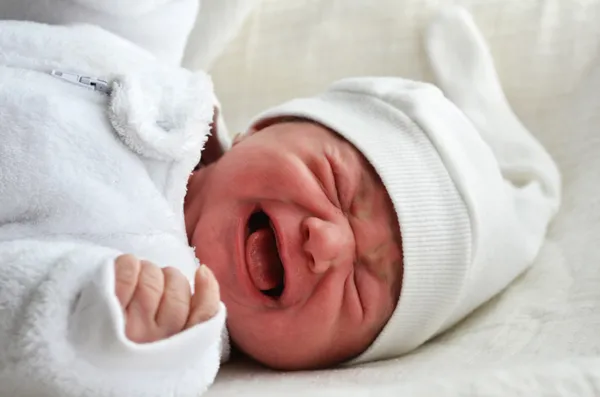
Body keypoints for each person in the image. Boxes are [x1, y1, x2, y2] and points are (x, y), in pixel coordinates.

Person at [0, 2, 561, 397]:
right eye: (336, 186)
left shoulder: (168, 327)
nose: (328, 242)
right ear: (263, 127)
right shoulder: (152, 78)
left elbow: (31, 341)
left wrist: (104, 333)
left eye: (360, 292)